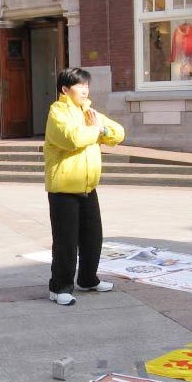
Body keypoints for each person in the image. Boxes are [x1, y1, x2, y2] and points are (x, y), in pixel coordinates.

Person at [44, 68, 125, 306]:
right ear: (65, 89)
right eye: (80, 86)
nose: (85, 90)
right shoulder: (57, 112)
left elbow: (118, 133)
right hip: (63, 189)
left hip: (89, 187)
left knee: (93, 238)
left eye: (87, 86)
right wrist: (96, 130)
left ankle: (88, 279)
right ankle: (59, 287)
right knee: (66, 242)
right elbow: (71, 139)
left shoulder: (89, 112)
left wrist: (102, 129)